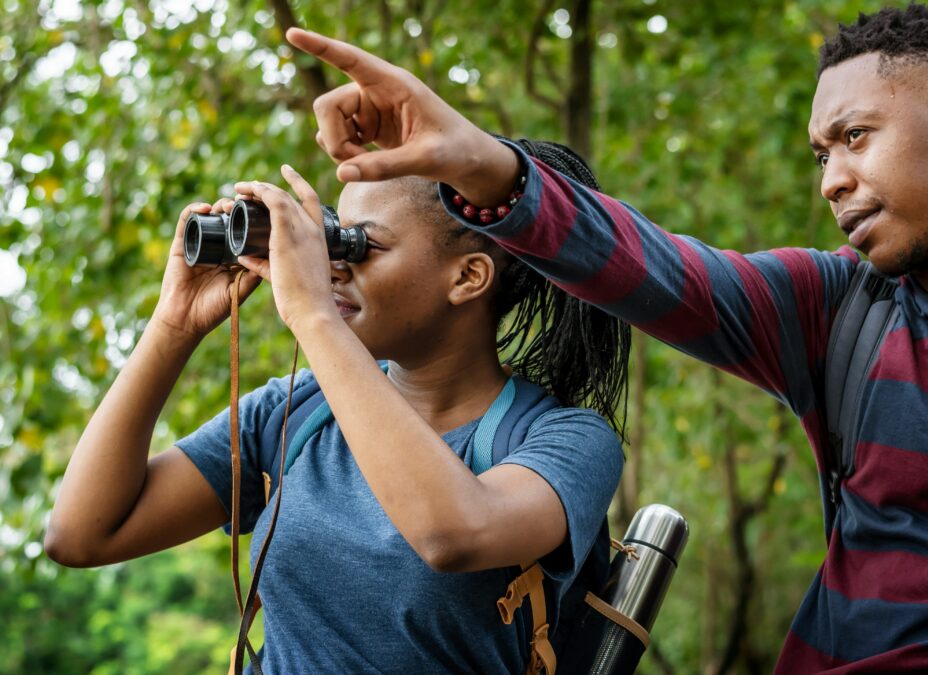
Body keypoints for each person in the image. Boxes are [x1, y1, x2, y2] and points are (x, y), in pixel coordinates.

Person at [281, 4, 928, 672]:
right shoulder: (837, 309)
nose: (830, 179)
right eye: (820, 153)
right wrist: (481, 164)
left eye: (856, 136)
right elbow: (654, 268)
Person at [44, 140, 631, 672]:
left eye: (360, 245)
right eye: (328, 237)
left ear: (468, 277)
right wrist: (175, 323)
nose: (329, 266)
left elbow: (453, 534)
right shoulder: (292, 415)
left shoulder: (567, 441)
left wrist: (313, 314)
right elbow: (82, 535)